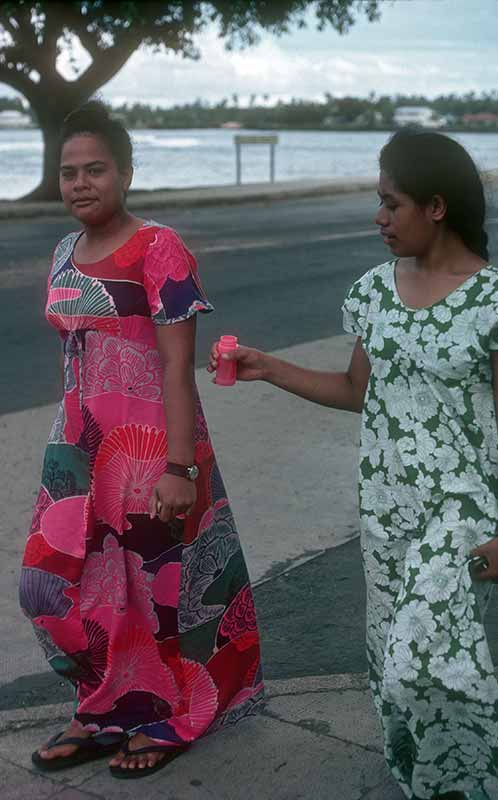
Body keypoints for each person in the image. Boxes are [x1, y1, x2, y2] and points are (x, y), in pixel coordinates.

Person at [208, 130, 498, 800]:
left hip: (462, 506)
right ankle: (426, 777)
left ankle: (475, 786)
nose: (377, 218)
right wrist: (267, 367)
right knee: (395, 659)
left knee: (428, 658)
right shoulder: (371, 294)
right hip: (385, 507)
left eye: (390, 204)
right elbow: (357, 392)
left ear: (435, 206)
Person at [20, 101, 264, 779]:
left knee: (160, 594)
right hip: (78, 446)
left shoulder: (158, 247)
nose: (79, 183)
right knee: (58, 585)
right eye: (68, 172)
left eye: (95, 169)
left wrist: (178, 467)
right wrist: (68, 440)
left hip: (155, 447)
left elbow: (173, 367)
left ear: (126, 173)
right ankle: (104, 708)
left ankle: (171, 717)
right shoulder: (64, 251)